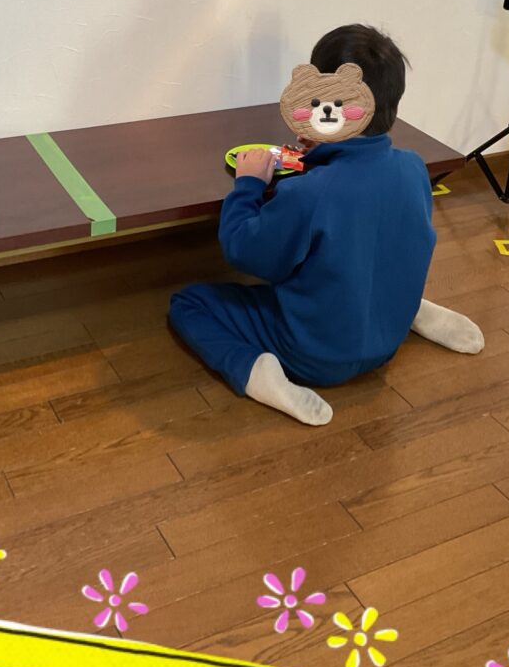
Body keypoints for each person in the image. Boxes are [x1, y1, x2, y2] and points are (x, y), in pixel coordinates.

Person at [168, 24, 483, 425]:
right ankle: (408, 311)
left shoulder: (308, 193)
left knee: (189, 303)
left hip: (314, 357)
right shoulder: (413, 168)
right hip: (387, 342)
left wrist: (248, 185)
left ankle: (255, 372)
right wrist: (322, 154)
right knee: (370, 255)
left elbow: (244, 251)